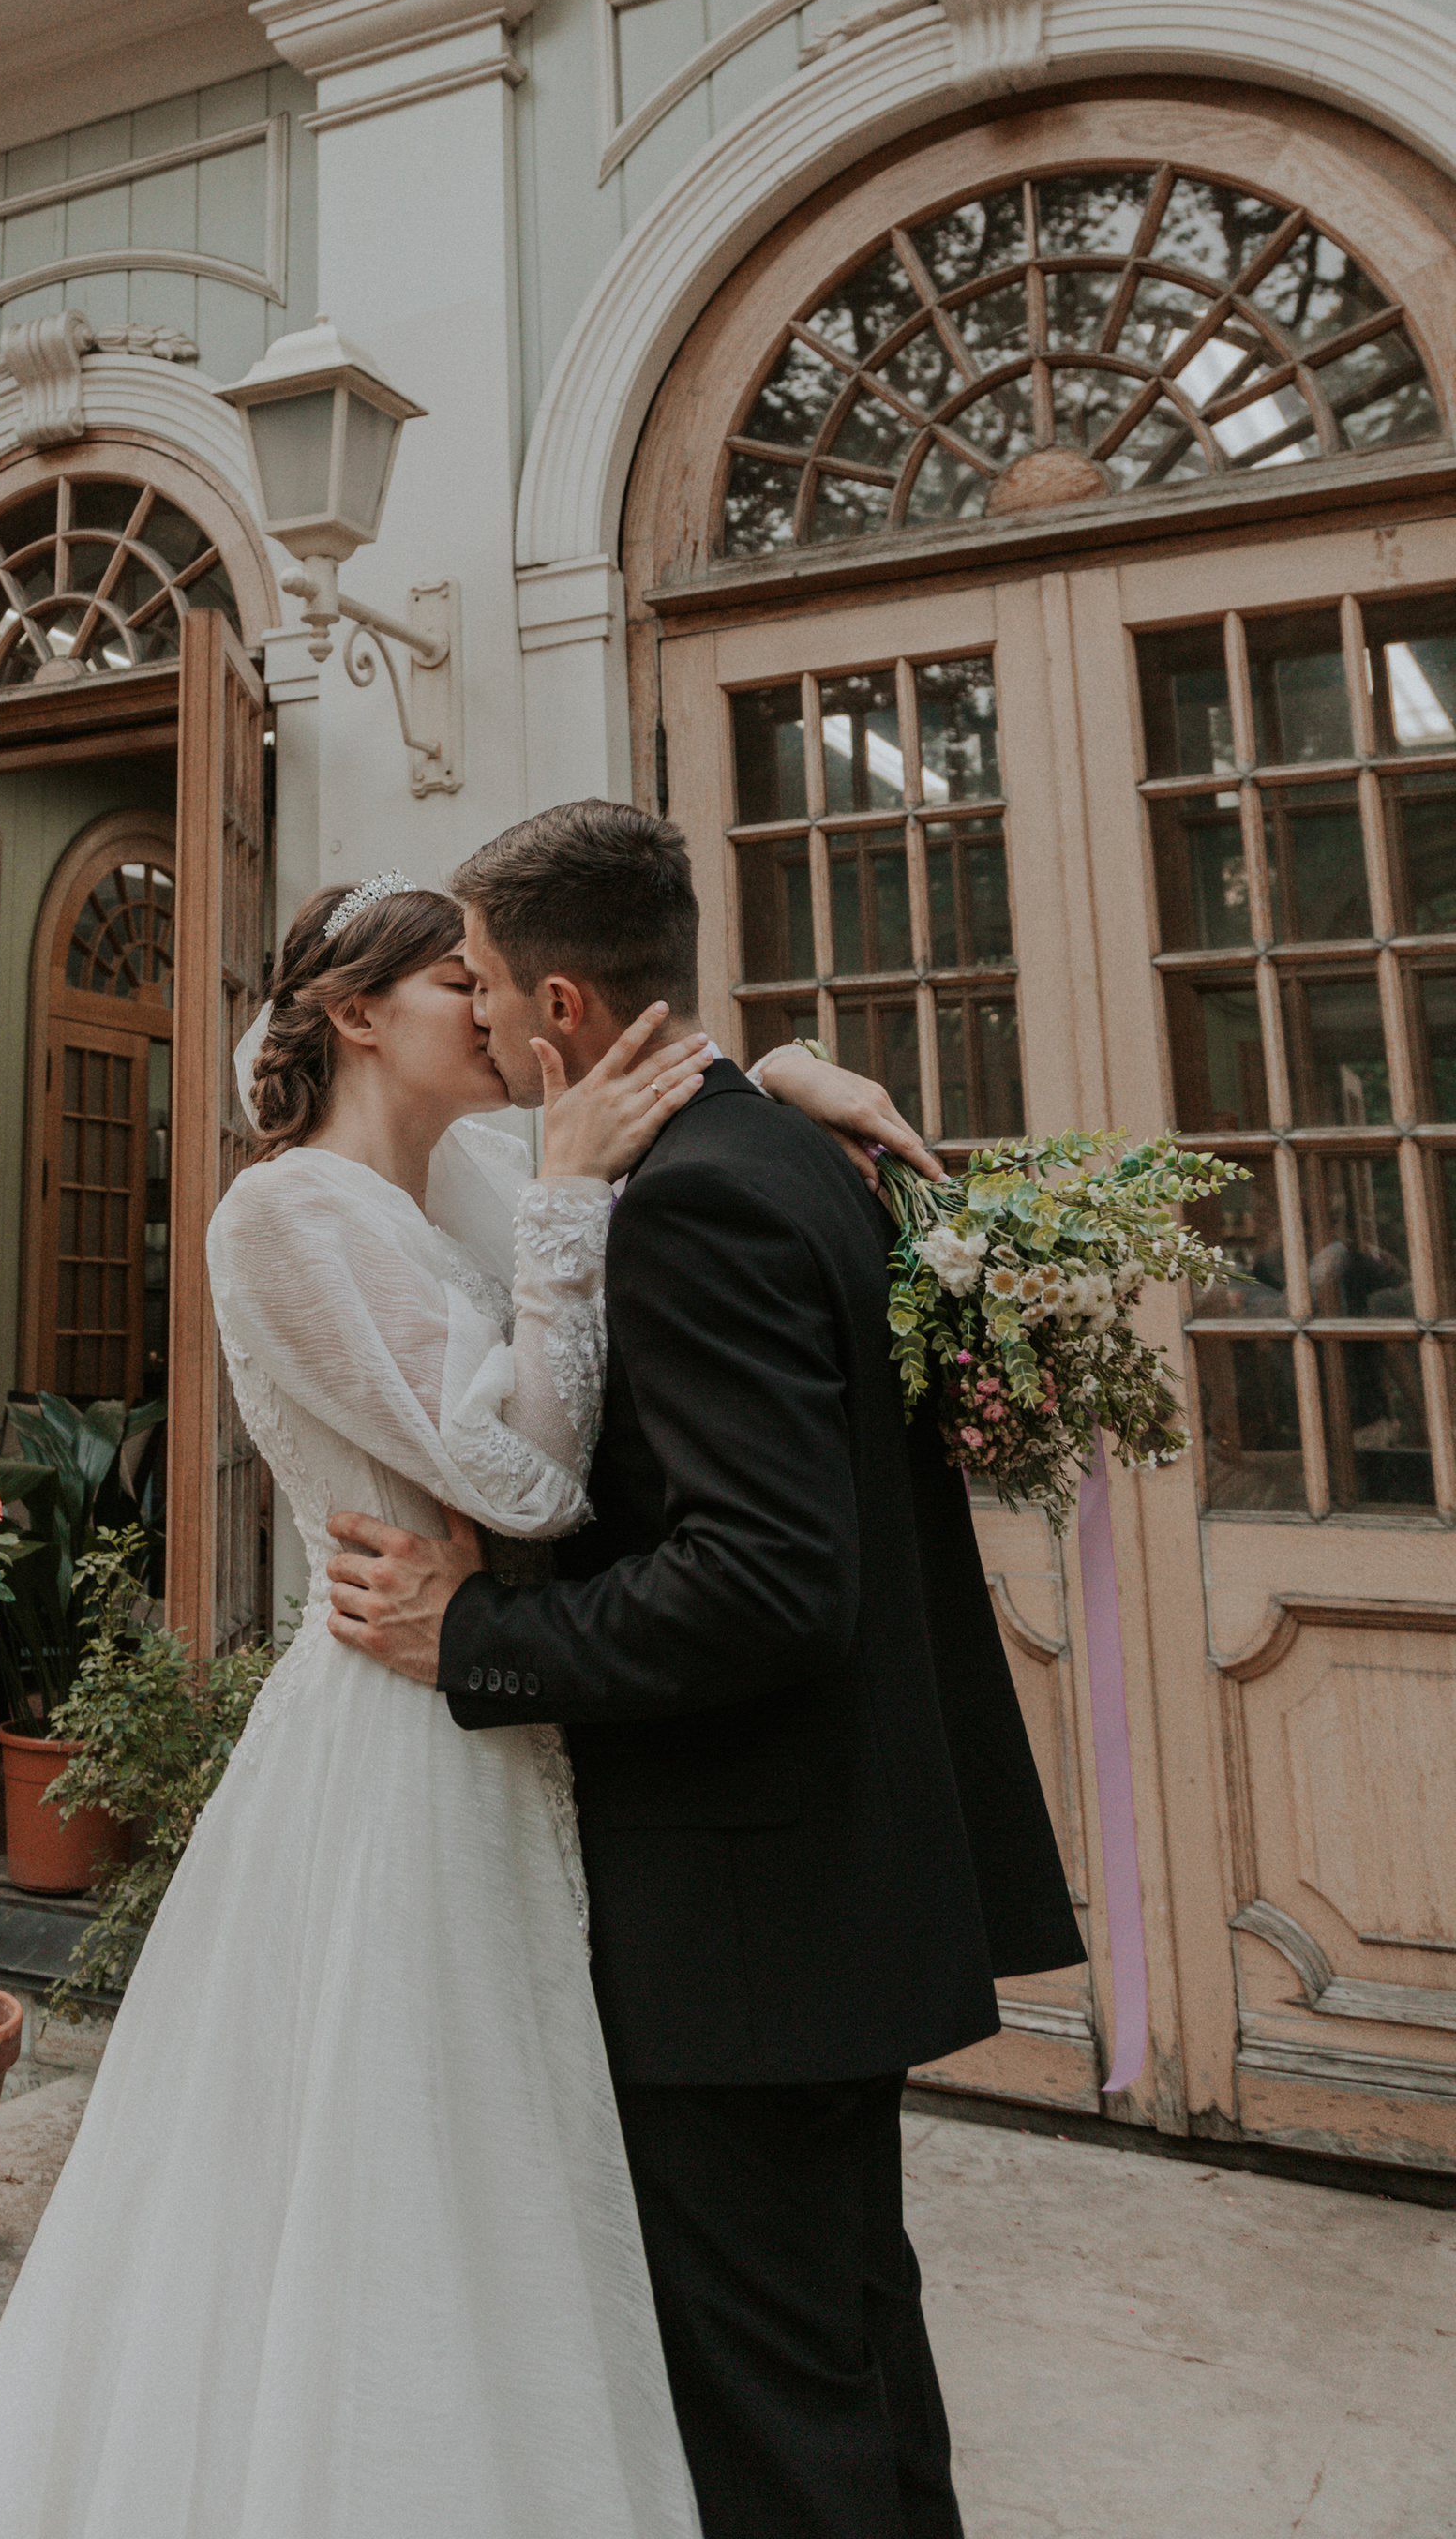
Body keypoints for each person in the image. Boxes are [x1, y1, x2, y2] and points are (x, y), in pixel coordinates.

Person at [0, 868, 910, 2539]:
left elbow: (623, 1125)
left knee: (528, 2159)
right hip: (403, 1728)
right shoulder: (282, 1218)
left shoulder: (475, 1171)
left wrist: (769, 1081)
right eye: (454, 992)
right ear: (357, 1015)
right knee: (405, 2152)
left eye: (494, 991)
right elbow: (518, 1474)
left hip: (512, 1705)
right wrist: (567, 1205)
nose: (490, 1019)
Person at [327, 802, 1084, 2539]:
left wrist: (476, 1636)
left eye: (498, 991)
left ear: (573, 1007)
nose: (495, 1025)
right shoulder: (786, 1154)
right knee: (851, 2354)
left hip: (749, 1918)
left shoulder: (692, 1208)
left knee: (770, 2416)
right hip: (821, 1895)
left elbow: (765, 1583)